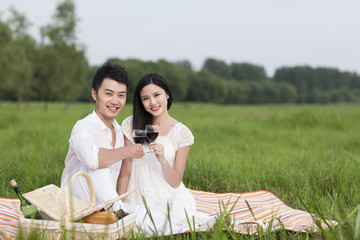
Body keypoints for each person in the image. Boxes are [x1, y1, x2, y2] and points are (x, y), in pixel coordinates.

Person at [60, 63, 184, 236]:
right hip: (76, 207)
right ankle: (121, 214)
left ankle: (182, 230)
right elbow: (91, 159)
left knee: (140, 212)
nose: (115, 101)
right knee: (100, 166)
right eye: (109, 94)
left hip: (106, 208)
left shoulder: (120, 132)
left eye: (121, 95)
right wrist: (128, 151)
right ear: (95, 94)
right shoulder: (84, 126)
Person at [118, 73, 216, 232]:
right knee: (139, 225)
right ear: (140, 102)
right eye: (146, 98)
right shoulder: (131, 124)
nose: (153, 102)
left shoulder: (181, 132)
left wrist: (162, 159)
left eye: (157, 95)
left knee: (178, 225)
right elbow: (126, 167)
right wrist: (119, 204)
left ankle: (209, 223)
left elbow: (176, 181)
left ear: (167, 95)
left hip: (168, 196)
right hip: (137, 197)